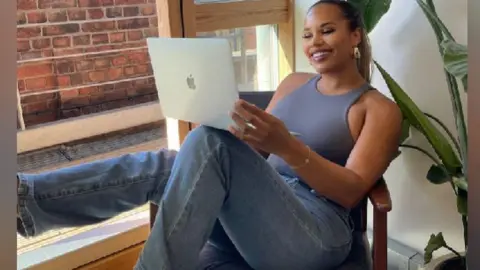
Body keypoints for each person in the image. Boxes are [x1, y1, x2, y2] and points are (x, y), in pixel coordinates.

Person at [17, 0, 402, 269]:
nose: (314, 42)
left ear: (355, 36)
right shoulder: (293, 82)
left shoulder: (377, 109)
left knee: (205, 145)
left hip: (317, 232)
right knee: (173, 160)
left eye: (327, 31)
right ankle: (22, 202)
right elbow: (257, 154)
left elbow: (352, 191)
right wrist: (238, 134)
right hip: (259, 208)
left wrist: (288, 146)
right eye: (307, 34)